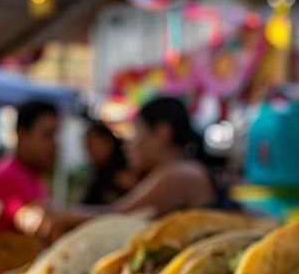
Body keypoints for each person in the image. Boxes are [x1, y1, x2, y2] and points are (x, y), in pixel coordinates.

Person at [16, 96, 223, 239]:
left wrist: (61, 216)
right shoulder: (183, 170)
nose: (127, 144)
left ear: (162, 133)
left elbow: (120, 216)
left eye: (136, 133)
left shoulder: (181, 174)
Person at [0, 100, 59, 233]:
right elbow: (35, 223)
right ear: (22, 135)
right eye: (47, 135)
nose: (54, 144)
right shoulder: (5, 176)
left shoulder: (35, 177)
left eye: (55, 135)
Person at [77, 119, 135, 205]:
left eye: (92, 145)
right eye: (87, 146)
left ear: (107, 143)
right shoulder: (100, 170)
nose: (89, 151)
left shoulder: (127, 169)